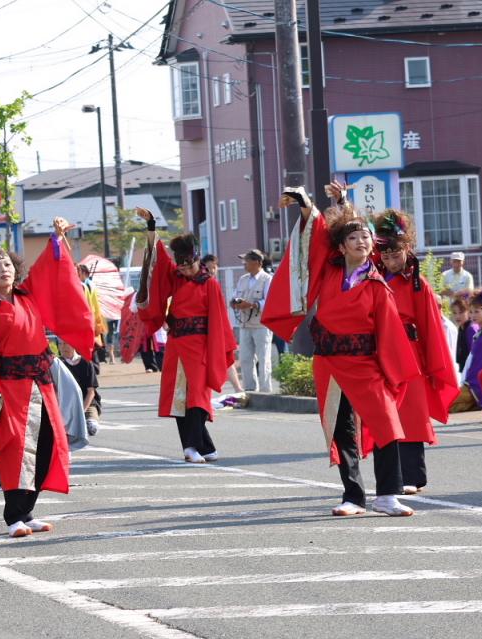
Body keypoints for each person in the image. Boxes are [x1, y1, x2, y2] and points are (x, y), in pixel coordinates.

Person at [262, 183, 420, 517]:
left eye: (366, 237)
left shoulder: (377, 286)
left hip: (365, 363)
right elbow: (316, 237)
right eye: (353, 238)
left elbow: (390, 334)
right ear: (341, 246)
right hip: (330, 362)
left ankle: (388, 494)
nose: (362, 242)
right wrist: (307, 203)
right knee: (341, 427)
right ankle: (353, 496)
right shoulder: (328, 271)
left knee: (387, 424)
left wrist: (392, 372)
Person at [0, 217, 94, 538]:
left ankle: (28, 511)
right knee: (15, 450)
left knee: (46, 446)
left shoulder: (28, 297)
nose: (5, 269)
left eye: (8, 264)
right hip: (8, 387)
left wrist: (56, 239)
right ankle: (13, 516)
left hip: (40, 384)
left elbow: (47, 272)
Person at [134, 208, 237, 464]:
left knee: (198, 396)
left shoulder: (209, 283)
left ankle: (197, 445)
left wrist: (219, 349)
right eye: (180, 266)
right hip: (177, 344)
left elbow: (219, 319)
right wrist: (151, 225)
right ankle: (195, 447)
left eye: (188, 265)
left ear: (197, 259)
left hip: (201, 345)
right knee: (180, 396)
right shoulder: (176, 277)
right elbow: (155, 259)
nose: (184, 270)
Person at [372, 209, 459, 495]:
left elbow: (432, 329)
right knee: (385, 414)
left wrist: (436, 365)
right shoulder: (375, 280)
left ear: (407, 250)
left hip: (410, 354)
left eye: (395, 255)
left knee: (410, 415)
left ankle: (413, 476)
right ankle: (391, 477)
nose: (390, 260)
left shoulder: (419, 286)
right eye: (385, 256)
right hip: (382, 353)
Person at [449, 288, 482, 412]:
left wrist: (473, 385)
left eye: (476, 312)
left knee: (447, 405)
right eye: (471, 312)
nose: (472, 315)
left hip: (475, 386)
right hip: (470, 384)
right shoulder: (481, 332)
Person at [231, 249, 274, 392]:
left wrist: (251, 304)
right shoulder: (243, 279)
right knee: (245, 358)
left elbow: (269, 302)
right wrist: (235, 303)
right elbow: (235, 295)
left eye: (247, 261)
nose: (245, 264)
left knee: (264, 358)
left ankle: (265, 390)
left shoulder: (267, 279)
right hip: (244, 324)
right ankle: (249, 390)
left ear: (257, 262)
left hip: (262, 325)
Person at [58, 338, 100, 436]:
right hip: (66, 406)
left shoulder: (86, 363)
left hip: (86, 404)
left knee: (92, 428)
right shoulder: (57, 364)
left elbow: (91, 392)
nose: (63, 347)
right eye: (60, 344)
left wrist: (81, 410)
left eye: (66, 343)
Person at [77, 264, 108, 367]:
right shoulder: (87, 284)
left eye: (79, 272)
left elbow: (92, 304)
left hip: (90, 317)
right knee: (91, 344)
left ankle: (94, 366)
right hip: (90, 317)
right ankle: (94, 366)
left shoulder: (86, 285)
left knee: (92, 344)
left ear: (84, 273)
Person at [450, 294, 477, 373]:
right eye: (454, 313)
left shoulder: (471, 328)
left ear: (468, 312)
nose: (457, 316)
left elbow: (475, 356)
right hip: (463, 371)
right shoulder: (461, 328)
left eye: (461, 312)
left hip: (471, 374)